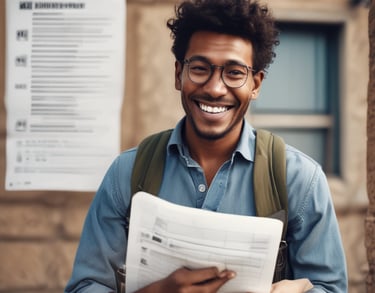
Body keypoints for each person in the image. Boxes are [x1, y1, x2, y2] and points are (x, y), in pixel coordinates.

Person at [65, 0, 348, 292]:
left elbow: (330, 287)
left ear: (256, 84)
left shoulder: (299, 179)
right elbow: (86, 285)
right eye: (200, 68)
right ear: (179, 75)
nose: (214, 88)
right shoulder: (127, 173)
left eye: (235, 73)